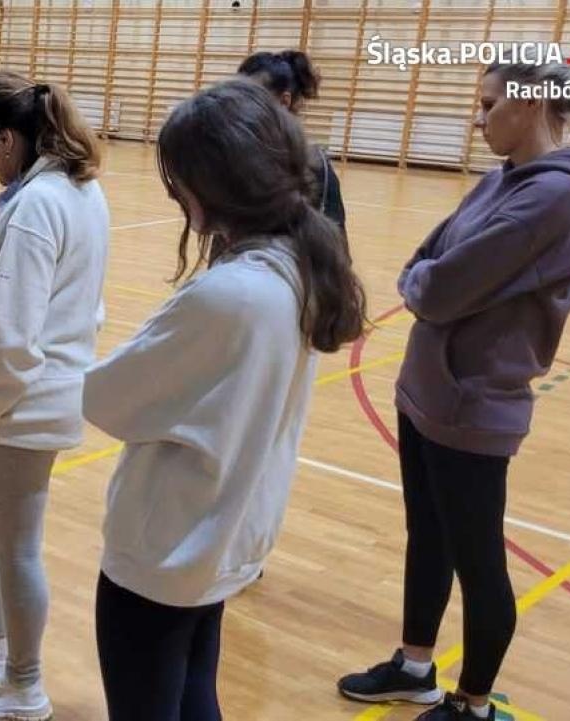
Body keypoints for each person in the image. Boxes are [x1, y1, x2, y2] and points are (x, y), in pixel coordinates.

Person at [337, 59, 570, 721]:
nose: (478, 118)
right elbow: (427, 258)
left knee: (479, 562)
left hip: (474, 404)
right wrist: (425, 282)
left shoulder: (554, 197)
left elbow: (436, 287)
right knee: (428, 535)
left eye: (490, 104)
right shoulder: (504, 179)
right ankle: (415, 667)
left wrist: (424, 285)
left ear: (529, 106)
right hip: (428, 388)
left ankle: (473, 706)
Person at [83, 78, 366, 720]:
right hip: (224, 534)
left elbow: (106, 401)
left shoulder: (231, 295)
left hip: (171, 545)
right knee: (192, 691)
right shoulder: (299, 265)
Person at [0, 70, 108, 721]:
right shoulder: (75, 188)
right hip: (35, 394)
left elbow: (12, 340)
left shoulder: (38, 207)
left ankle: (23, 683)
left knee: (17, 545)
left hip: (23, 405)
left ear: (6, 139)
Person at [237, 50, 346, 232]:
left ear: (283, 101)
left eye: (251, 98)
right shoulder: (235, 157)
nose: (239, 105)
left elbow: (335, 240)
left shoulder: (316, 168)